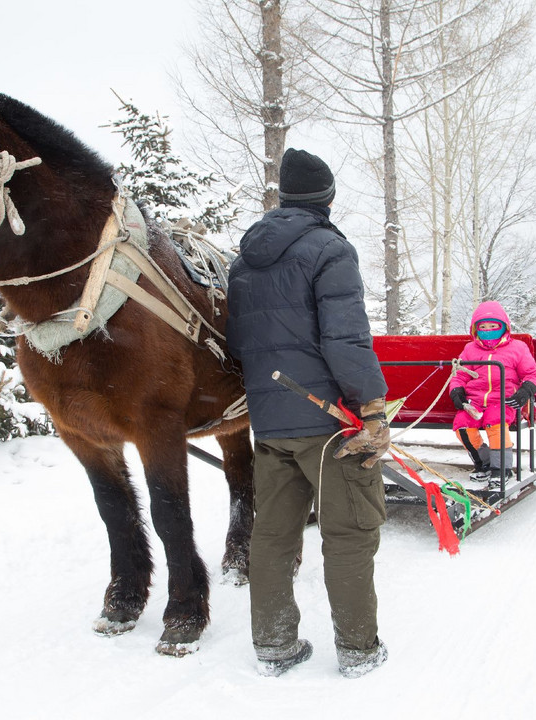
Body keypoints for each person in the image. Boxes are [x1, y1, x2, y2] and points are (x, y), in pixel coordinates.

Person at [226, 148, 390, 679]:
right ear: (328, 199)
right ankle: (359, 650)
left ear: (283, 197)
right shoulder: (330, 250)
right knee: (349, 532)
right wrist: (371, 409)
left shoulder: (244, 259)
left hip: (271, 424)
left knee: (272, 537)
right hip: (329, 426)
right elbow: (346, 339)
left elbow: (239, 340)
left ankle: (275, 647)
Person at [448, 301, 536, 482]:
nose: (488, 330)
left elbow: (532, 374)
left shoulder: (517, 348)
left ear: (504, 326)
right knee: (462, 425)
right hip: (475, 401)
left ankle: (502, 468)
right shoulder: (470, 349)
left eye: (493, 326)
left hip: (503, 400)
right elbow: (460, 375)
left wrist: (525, 391)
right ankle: (484, 462)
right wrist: (457, 391)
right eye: (483, 326)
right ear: (476, 329)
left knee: (495, 423)